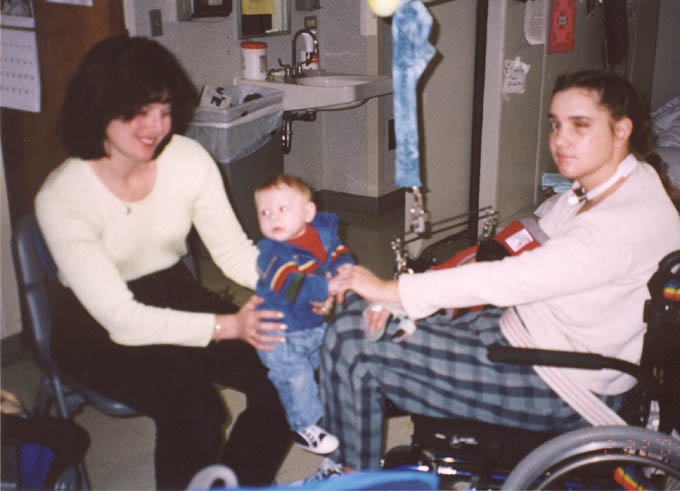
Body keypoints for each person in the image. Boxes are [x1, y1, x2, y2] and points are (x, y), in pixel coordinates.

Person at [304, 69, 680, 480]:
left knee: (354, 341)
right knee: (361, 314)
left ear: (622, 129)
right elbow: (528, 243)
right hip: (533, 334)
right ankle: (349, 454)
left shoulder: (621, 221)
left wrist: (392, 289)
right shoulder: (617, 182)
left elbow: (514, 278)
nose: (561, 140)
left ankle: (351, 478)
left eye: (580, 125)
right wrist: (407, 299)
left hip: (560, 383)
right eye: (556, 125)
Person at [34, 35, 292, 489]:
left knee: (285, 372)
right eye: (139, 111)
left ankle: (234, 482)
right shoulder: (61, 197)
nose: (155, 126)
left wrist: (298, 283)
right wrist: (229, 326)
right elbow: (123, 321)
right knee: (193, 405)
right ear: (99, 107)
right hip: (94, 329)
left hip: (175, 292)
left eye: (165, 110)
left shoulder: (188, 160)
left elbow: (233, 253)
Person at [253, 174, 353, 455]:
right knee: (295, 375)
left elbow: (338, 252)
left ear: (308, 213)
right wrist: (327, 287)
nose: (273, 216)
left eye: (282, 208)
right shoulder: (269, 253)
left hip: (310, 324)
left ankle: (315, 403)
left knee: (318, 361)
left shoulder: (322, 233)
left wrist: (343, 266)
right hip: (278, 332)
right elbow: (291, 283)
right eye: (264, 212)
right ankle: (303, 426)